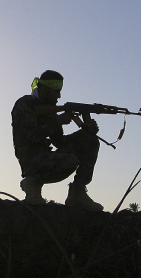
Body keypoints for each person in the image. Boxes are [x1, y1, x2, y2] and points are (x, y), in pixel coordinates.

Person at [11, 70, 103, 210]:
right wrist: (59, 120)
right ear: (46, 89)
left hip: (46, 156)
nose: (59, 96)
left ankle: (77, 192)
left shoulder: (50, 111)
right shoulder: (25, 104)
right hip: (31, 161)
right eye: (56, 91)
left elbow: (60, 142)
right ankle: (32, 183)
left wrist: (84, 133)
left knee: (90, 141)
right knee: (70, 161)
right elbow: (32, 136)